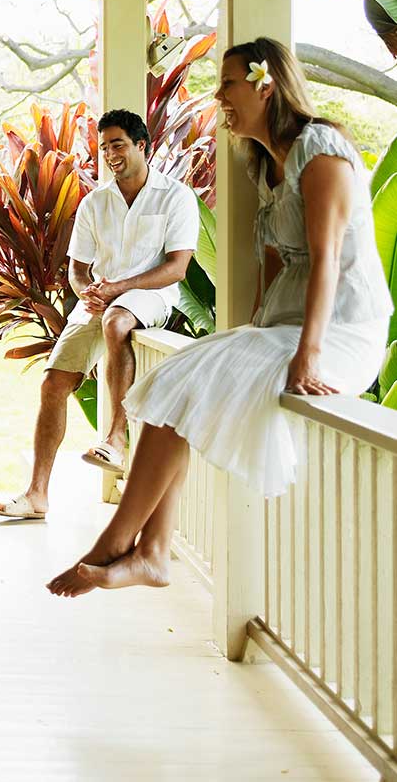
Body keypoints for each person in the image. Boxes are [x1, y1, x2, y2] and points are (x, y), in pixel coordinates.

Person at [48, 38, 393, 597]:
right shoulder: (266, 164)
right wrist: (253, 329)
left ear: (266, 84)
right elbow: (279, 263)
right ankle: (153, 552)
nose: (219, 97)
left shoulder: (319, 148)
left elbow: (329, 257)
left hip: (339, 332)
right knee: (173, 383)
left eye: (228, 83)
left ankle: (118, 542)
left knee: (185, 384)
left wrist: (308, 353)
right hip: (284, 329)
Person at [0, 109, 200, 520]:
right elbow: (78, 270)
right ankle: (36, 495)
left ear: (142, 145)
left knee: (117, 320)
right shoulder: (95, 203)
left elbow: (176, 267)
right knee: (53, 383)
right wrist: (88, 293)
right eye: (105, 147)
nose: (110, 154)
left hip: (149, 295)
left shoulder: (175, 197)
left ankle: (116, 439)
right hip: (101, 299)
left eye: (118, 144)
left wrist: (118, 289)